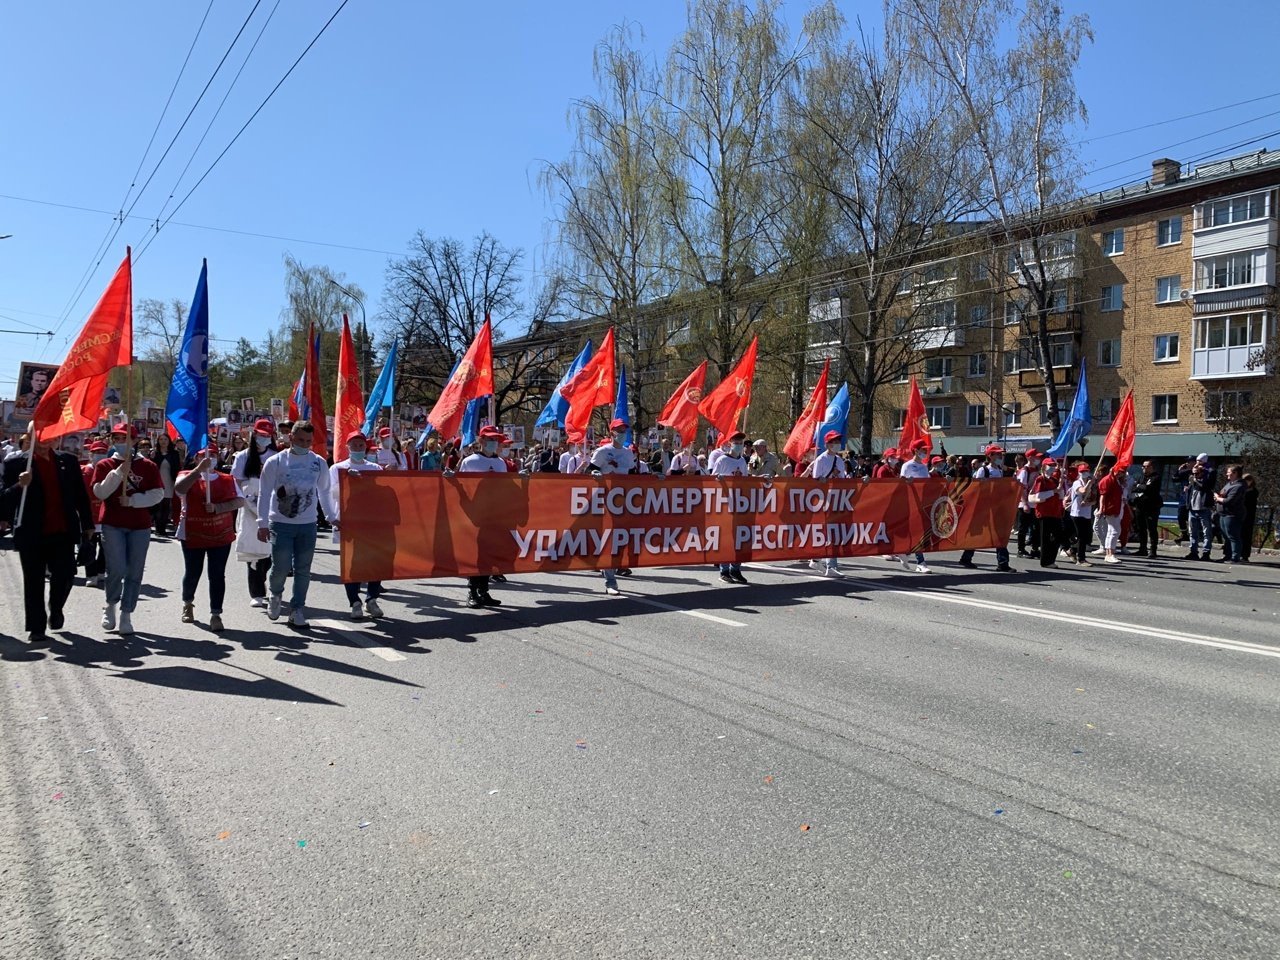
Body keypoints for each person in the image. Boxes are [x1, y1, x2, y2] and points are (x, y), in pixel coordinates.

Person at [0, 430, 94, 641]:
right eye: (41, 436)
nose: (46, 440)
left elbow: (81, 495)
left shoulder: (68, 461)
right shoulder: (16, 463)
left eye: (52, 436)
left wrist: (88, 524)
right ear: (31, 437)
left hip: (62, 531)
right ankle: (36, 627)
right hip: (31, 532)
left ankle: (56, 606)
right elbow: (4, 499)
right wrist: (19, 485)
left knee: (66, 574)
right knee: (33, 580)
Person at [256, 420, 331, 627]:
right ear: (291, 438)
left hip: (308, 524)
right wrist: (262, 522)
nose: (304, 444)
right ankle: (276, 594)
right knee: (280, 567)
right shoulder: (276, 462)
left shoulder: (318, 462)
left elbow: (324, 491)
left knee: (303, 569)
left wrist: (331, 516)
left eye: (308, 441)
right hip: (280, 523)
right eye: (300, 440)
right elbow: (264, 494)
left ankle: (297, 608)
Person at [92, 424, 165, 635]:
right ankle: (111, 604)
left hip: (139, 526)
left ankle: (126, 613)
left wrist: (134, 500)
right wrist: (117, 473)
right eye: (116, 438)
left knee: (134, 570)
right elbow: (100, 492)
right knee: (116, 568)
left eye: (125, 438)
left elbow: (158, 494)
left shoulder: (148, 466)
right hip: (113, 523)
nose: (120, 442)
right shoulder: (105, 464)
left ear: (134, 441)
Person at [174, 446, 244, 631]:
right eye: (203, 455)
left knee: (217, 575)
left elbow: (240, 500)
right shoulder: (186, 475)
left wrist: (218, 508)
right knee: (193, 572)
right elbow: (179, 489)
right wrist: (198, 471)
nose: (208, 458)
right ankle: (187, 604)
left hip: (220, 534)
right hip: (192, 533)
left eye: (212, 455)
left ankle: (216, 614)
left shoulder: (228, 479)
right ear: (196, 459)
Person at [330, 430, 385, 619]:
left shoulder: (375, 469)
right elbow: (333, 495)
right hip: (349, 523)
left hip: (372, 522)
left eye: (361, 445)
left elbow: (381, 495)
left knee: (375, 561)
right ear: (347, 447)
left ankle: (372, 599)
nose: (358, 448)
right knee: (352, 563)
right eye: (354, 445)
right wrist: (348, 482)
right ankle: (354, 601)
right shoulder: (337, 469)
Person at [459, 424, 507, 608]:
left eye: (495, 440)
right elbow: (462, 488)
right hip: (476, 515)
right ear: (481, 441)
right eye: (490, 439)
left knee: (488, 554)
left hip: (494, 515)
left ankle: (484, 590)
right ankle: (472, 591)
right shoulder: (470, 461)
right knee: (476, 554)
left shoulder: (500, 463)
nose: (493, 443)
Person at [232, 419, 277, 607]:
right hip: (249, 508)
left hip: (272, 508)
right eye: (261, 435)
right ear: (254, 434)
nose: (264, 439)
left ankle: (267, 582)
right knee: (253, 552)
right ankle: (257, 593)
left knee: (270, 553)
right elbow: (236, 483)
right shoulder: (242, 456)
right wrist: (250, 503)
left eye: (267, 436)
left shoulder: (276, 456)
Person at [958, 444, 1013, 572]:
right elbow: (974, 487)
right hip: (983, 506)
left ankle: (1003, 563)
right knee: (977, 534)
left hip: (996, 505)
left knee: (1000, 533)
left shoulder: (999, 470)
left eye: (1000, 454)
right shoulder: (984, 470)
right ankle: (966, 558)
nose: (1000, 456)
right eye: (997, 454)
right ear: (990, 456)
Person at [711, 430, 750, 584]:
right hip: (725, 505)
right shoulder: (722, 460)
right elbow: (711, 481)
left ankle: (736, 568)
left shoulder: (742, 461)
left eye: (741, 443)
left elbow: (746, 481)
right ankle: (724, 570)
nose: (739, 445)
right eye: (736, 442)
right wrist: (718, 479)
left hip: (739, 505)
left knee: (739, 538)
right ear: (730, 443)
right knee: (726, 539)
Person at [808, 430, 847, 576]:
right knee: (831, 533)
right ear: (827, 444)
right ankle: (831, 566)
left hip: (837, 500)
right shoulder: (821, 460)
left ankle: (816, 559)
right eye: (833, 442)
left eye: (838, 442)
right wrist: (822, 481)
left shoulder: (840, 460)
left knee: (832, 533)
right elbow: (815, 481)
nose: (836, 444)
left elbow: (843, 480)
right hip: (824, 501)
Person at [897, 439, 934, 573]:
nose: (925, 452)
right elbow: (900, 484)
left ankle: (905, 551)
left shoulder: (924, 467)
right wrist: (908, 482)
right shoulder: (907, 466)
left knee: (920, 532)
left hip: (922, 503)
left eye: (926, 450)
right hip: (910, 504)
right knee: (918, 532)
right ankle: (921, 562)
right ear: (916, 451)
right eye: (923, 450)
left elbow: (928, 484)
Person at [1028, 457, 1066, 567]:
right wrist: (1054, 491)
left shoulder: (1055, 480)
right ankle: (1046, 561)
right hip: (1044, 512)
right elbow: (1040, 496)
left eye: (1054, 465)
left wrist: (1060, 488)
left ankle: (1051, 559)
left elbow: (1061, 496)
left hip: (1055, 512)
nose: (1053, 467)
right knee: (1045, 538)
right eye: (1051, 465)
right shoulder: (1040, 479)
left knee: (1058, 536)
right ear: (1044, 467)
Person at [1063, 461, 1096, 565]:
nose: (1084, 473)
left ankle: (1072, 550)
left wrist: (1088, 503)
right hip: (1077, 513)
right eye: (1082, 471)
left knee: (1086, 537)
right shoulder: (1077, 482)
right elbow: (1082, 491)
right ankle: (1081, 559)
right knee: (1081, 536)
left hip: (1086, 513)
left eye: (1086, 471)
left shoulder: (1092, 483)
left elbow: (1094, 500)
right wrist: (1088, 484)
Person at [1213, 465, 1248, 563]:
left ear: (1235, 473)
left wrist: (1218, 498)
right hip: (1223, 513)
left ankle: (1235, 557)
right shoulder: (1229, 484)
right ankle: (1227, 555)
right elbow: (1224, 494)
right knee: (1226, 536)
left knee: (1233, 536)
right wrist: (1219, 496)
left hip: (1233, 514)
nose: (1227, 474)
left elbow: (1230, 500)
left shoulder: (1239, 486)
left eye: (1229, 472)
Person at [1184, 455, 1215, 561]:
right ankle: (1193, 551)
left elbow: (1206, 486)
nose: (1195, 475)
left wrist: (1197, 478)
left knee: (1206, 532)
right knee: (1192, 531)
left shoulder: (1208, 475)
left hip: (1203, 507)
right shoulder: (1193, 480)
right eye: (1194, 473)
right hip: (1192, 507)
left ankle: (1206, 552)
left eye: (1198, 473)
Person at [151, 433, 181, 536]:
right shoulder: (155, 454)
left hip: (169, 482)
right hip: (157, 483)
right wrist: (152, 458)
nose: (163, 441)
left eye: (165, 439)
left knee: (166, 506)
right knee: (158, 506)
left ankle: (163, 529)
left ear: (169, 441)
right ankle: (158, 528)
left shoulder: (174, 454)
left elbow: (177, 468)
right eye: (161, 439)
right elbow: (151, 468)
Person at [1095, 463, 1126, 564]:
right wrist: (1101, 509)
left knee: (1111, 531)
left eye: (1122, 472)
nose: (1121, 473)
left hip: (1115, 508)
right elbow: (1102, 496)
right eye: (1119, 471)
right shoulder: (1107, 480)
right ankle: (1110, 554)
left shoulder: (1115, 480)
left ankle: (1109, 553)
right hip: (1110, 509)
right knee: (1115, 531)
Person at [1131, 460, 1163, 558]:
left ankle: (1153, 550)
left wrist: (1139, 486)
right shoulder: (1142, 477)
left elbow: (1148, 488)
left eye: (1147, 466)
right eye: (1143, 466)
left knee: (1152, 529)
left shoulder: (1156, 477)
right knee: (1141, 528)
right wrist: (1139, 486)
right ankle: (1142, 548)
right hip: (1140, 506)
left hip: (1152, 507)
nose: (1144, 468)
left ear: (1152, 467)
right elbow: (1135, 488)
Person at [1015, 449, 1042, 557]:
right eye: (1036, 457)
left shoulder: (1036, 469)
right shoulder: (1025, 470)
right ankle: (1021, 550)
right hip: (1025, 503)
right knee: (1023, 528)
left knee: (1036, 528)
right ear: (1030, 457)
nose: (1038, 459)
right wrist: (1025, 503)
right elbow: (1021, 487)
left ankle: (1035, 549)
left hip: (1035, 502)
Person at [1240, 473, 1259, 562]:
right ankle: (1239, 552)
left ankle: (1245, 554)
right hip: (1241, 514)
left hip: (1248, 516)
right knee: (1240, 534)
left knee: (1246, 535)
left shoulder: (1253, 491)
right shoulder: (1242, 489)